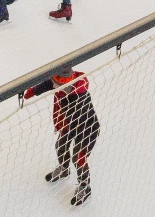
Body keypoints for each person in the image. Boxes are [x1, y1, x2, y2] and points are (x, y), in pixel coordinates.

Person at [24, 66, 100, 207]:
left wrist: (82, 151)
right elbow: (48, 84)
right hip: (69, 124)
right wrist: (33, 91)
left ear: (65, 85)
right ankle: (64, 169)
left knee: (78, 157)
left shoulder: (78, 96)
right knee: (60, 145)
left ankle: (85, 187)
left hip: (87, 127)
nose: (53, 86)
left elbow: (81, 84)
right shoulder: (60, 85)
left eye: (56, 85)